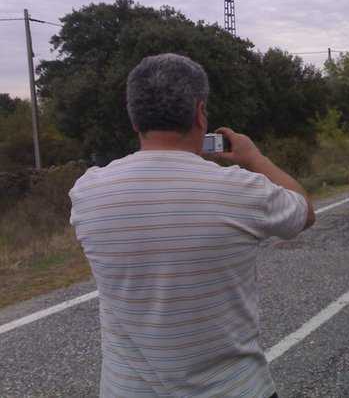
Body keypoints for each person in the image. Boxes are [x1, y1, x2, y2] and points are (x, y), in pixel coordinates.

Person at [69, 53, 315, 398]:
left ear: (135, 119)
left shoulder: (87, 192)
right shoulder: (240, 190)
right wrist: (254, 159)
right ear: (200, 113)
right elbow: (304, 213)